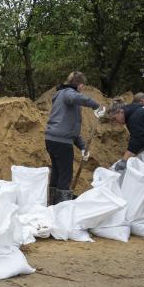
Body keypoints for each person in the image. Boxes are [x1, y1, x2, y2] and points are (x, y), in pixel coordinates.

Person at [44, 71, 103, 204]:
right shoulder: (68, 94)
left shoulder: (61, 96)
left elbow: (70, 128)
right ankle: (62, 206)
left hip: (52, 139)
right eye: (83, 87)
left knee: (58, 172)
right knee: (65, 174)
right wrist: (96, 106)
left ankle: (53, 203)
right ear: (80, 85)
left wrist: (82, 147)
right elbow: (77, 98)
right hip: (60, 142)